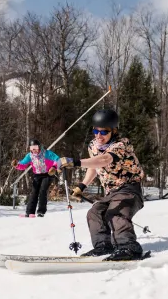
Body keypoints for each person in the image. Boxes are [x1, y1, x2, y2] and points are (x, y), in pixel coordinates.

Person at [57, 108, 146, 260]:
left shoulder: (121, 145)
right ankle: (103, 246)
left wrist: (76, 162)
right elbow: (94, 166)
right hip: (111, 192)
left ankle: (129, 247)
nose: (99, 136)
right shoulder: (93, 146)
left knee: (115, 213)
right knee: (95, 213)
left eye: (104, 132)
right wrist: (82, 186)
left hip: (129, 189)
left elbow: (104, 160)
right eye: (96, 131)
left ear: (113, 131)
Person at [14, 139, 60, 218]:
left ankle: (41, 211)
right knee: (34, 192)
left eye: (35, 147)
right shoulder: (30, 156)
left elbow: (58, 160)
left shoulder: (46, 153)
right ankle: (29, 212)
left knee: (42, 191)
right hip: (37, 175)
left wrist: (54, 167)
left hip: (47, 174)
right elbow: (23, 164)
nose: (33, 150)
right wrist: (17, 165)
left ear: (39, 147)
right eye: (31, 148)